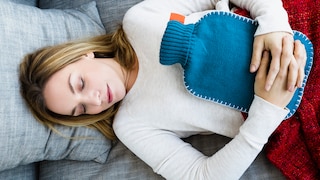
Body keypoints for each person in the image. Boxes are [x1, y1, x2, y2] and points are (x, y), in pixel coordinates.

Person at [19, 0, 307, 179]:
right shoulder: (131, 125)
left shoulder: (139, 20)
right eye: (81, 109)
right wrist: (267, 111)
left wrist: (274, 24)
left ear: (84, 55)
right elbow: (202, 176)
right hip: (293, 117)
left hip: (291, 29)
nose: (93, 99)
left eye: (79, 83)